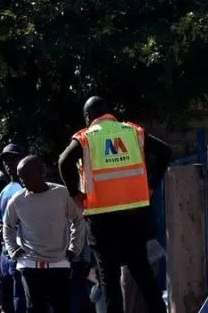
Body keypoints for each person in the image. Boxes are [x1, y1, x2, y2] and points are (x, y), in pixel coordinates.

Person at [58, 96, 171, 313]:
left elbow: (64, 162)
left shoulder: (85, 138)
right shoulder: (132, 132)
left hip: (101, 219)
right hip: (134, 214)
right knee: (142, 273)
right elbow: (165, 151)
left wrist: (75, 193)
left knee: (109, 278)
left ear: (88, 117)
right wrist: (152, 184)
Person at [4, 156, 85, 313]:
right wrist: (13, 249)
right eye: (20, 177)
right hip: (30, 264)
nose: (23, 181)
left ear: (41, 172)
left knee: (61, 307)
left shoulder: (62, 194)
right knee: (34, 308)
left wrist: (75, 248)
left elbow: (78, 219)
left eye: (26, 176)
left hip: (59, 263)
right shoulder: (17, 200)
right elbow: (8, 226)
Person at [0, 144, 29, 313]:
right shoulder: (4, 192)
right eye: (6, 161)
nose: (9, 164)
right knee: (7, 303)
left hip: (22, 255)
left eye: (13, 160)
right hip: (5, 255)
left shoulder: (28, 188)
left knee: (21, 302)